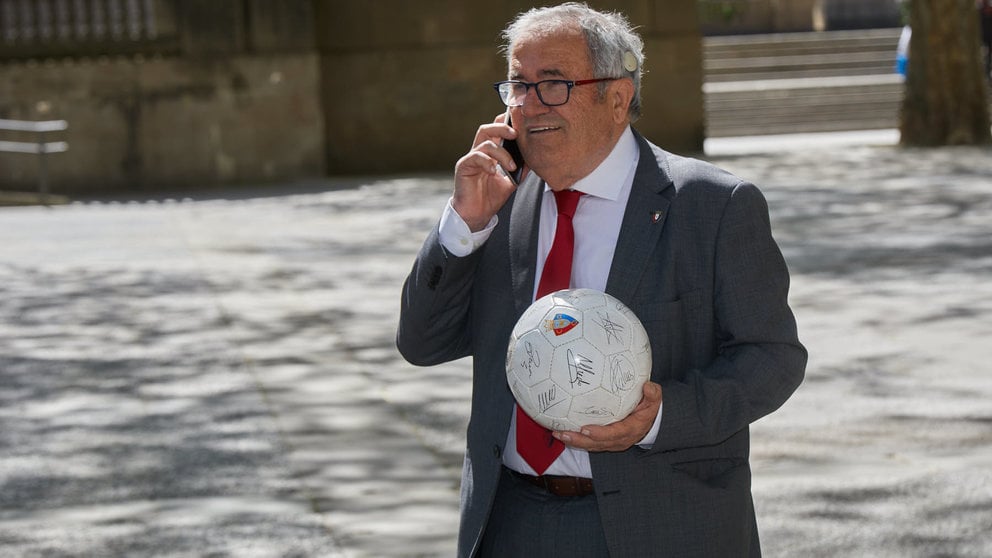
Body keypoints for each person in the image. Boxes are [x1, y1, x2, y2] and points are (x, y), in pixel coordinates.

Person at [396, 3, 806, 556]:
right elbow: (423, 344)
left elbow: (772, 358)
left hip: (663, 523)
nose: (529, 104)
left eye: (554, 83)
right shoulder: (496, 204)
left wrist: (660, 417)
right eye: (518, 84)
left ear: (617, 98)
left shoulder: (713, 205)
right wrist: (462, 227)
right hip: (510, 521)